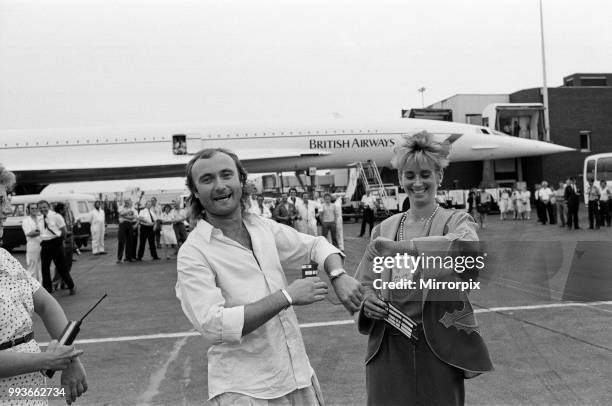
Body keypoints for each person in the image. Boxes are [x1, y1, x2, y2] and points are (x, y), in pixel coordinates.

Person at [175, 148, 364, 405]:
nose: (219, 185)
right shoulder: (193, 252)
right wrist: (287, 296)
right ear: (195, 191)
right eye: (207, 179)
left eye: (226, 175)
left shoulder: (261, 227)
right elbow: (214, 326)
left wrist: (338, 275)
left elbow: (316, 245)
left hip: (297, 377)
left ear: (241, 181)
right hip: (247, 390)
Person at [355, 131, 493, 406]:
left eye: (425, 174)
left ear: (439, 176)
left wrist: (402, 248)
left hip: (439, 345)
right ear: (400, 178)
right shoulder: (384, 228)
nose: (417, 183)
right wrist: (367, 301)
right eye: (409, 175)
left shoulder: (457, 221)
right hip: (389, 345)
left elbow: (467, 252)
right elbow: (363, 284)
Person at [0, 164, 88, 405]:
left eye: (7, 198)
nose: (7, 209)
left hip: (28, 393)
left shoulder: (5, 258)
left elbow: (47, 305)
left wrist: (70, 358)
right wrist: (46, 360)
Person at [37, 201, 76, 295]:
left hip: (56, 243)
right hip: (45, 244)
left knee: (62, 267)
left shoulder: (56, 216)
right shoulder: (39, 218)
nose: (43, 209)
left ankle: (71, 286)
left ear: (49, 206)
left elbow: (64, 231)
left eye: (44, 207)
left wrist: (60, 241)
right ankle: (48, 290)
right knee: (44, 269)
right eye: (41, 208)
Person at [21, 202, 42, 281]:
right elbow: (29, 234)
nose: (34, 210)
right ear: (28, 210)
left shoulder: (41, 218)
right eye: (32, 208)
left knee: (41, 267)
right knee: (32, 267)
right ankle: (31, 287)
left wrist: (36, 232)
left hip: (43, 245)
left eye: (35, 208)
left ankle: (41, 286)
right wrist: (41, 231)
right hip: (32, 246)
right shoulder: (26, 221)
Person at [117, 199, 137, 263]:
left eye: (129, 202)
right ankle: (119, 258)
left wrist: (124, 216)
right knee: (121, 240)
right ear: (125, 203)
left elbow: (133, 217)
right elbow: (120, 213)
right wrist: (128, 213)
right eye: (127, 202)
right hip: (122, 224)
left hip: (129, 224)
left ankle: (129, 257)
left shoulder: (133, 209)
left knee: (130, 241)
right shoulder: (121, 207)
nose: (128, 203)